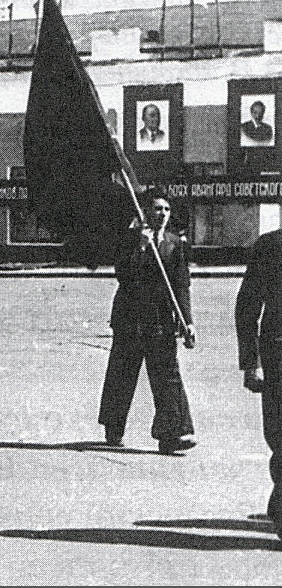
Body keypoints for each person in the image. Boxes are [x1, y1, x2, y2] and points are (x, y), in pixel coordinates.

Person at [98, 191, 197, 453]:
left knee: (167, 376)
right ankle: (114, 425)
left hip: (161, 319)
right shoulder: (130, 240)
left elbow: (182, 286)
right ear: (145, 212)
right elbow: (124, 275)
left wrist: (188, 322)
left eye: (166, 209)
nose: (162, 214)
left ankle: (173, 433)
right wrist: (141, 247)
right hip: (130, 318)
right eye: (157, 209)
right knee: (122, 374)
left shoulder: (175, 243)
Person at [234, 223, 282, 540]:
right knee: (278, 437)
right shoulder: (270, 246)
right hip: (278, 355)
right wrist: (252, 364)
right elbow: (248, 306)